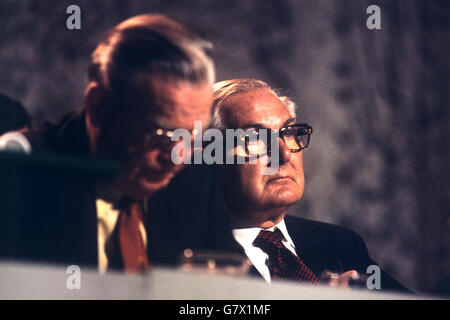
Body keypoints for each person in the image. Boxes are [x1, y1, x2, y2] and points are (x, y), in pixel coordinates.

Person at [0, 14, 233, 273]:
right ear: (98, 106)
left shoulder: (198, 183)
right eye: (162, 133)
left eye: (190, 135)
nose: (178, 157)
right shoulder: (18, 179)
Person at [210, 78, 411, 293]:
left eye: (288, 133)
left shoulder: (342, 245)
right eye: (255, 138)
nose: (284, 154)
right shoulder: (190, 259)